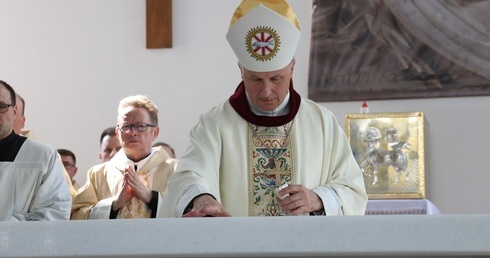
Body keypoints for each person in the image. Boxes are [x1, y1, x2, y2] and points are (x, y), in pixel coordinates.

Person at [160, 0, 367, 218]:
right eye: (255, 79)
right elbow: (187, 176)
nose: (266, 91)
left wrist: (318, 199)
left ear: (292, 69)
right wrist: (201, 198)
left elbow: (352, 189)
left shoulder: (322, 122)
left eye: (276, 78)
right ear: (241, 71)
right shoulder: (215, 124)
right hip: (237, 248)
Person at [71, 95, 178, 219]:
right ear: (117, 133)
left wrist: (152, 198)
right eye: (126, 126)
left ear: (154, 132)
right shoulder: (98, 174)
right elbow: (75, 215)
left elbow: (190, 211)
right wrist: (113, 205)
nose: (132, 132)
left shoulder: (177, 170)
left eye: (141, 126)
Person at [0, 80, 71, 221]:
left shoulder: (43, 156)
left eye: (1, 107)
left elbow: (54, 213)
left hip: (20, 242)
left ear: (14, 113)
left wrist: (7, 226)